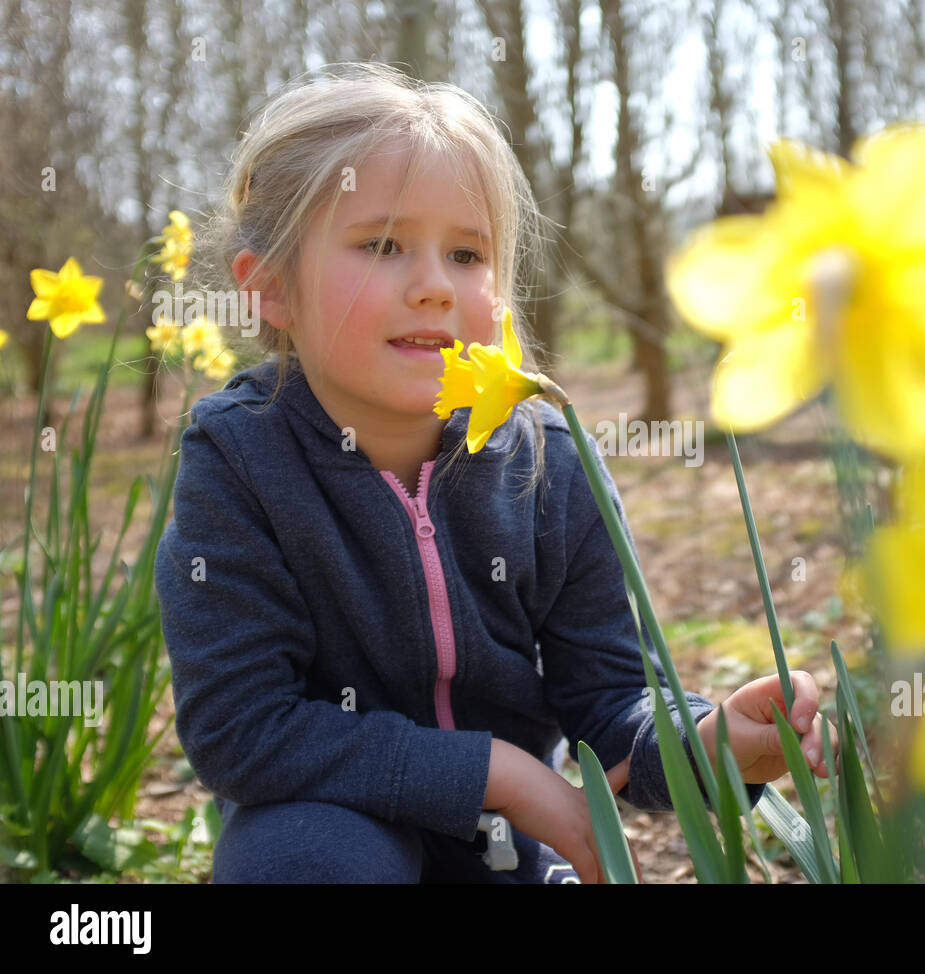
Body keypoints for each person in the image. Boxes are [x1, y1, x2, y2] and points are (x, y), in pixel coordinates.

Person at [154, 61, 835, 884]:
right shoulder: (239, 459)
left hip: (504, 854)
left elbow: (614, 706)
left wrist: (714, 742)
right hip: (327, 832)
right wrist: (498, 773)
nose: (436, 286)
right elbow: (242, 730)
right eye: (381, 245)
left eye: (468, 254)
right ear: (269, 289)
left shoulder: (549, 460)